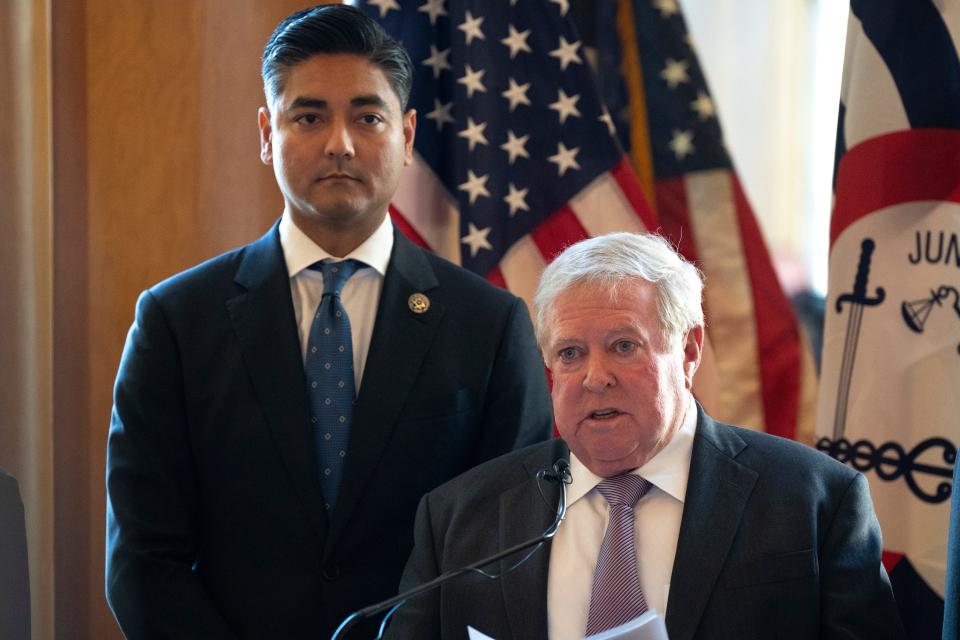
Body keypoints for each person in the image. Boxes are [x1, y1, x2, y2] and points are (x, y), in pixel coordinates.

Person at [104, 5, 553, 639]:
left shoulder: (490, 327)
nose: (339, 142)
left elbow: (510, 552)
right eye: (309, 116)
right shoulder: (176, 323)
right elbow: (142, 561)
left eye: (368, 117)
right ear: (267, 133)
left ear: (408, 135)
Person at [384, 232, 905, 640]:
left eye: (623, 346)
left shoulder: (813, 503)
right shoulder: (461, 518)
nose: (595, 376)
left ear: (689, 351)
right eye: (570, 353)